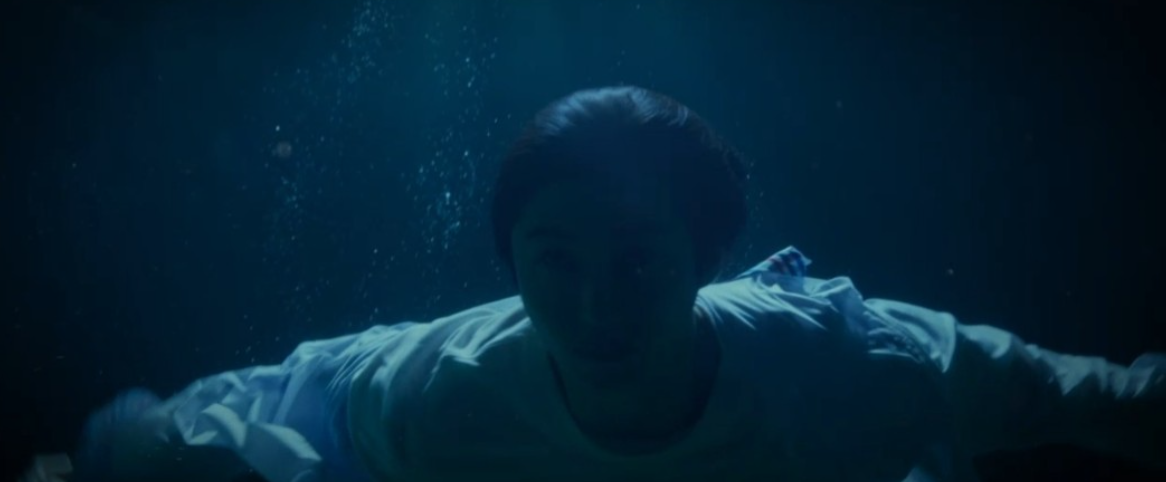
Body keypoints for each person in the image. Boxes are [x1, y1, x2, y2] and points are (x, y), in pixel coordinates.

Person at [21, 86, 1166, 482]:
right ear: (510, 263)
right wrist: (128, 451)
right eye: (552, 262)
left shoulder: (839, 364)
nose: (591, 307)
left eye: (635, 261)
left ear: (699, 259)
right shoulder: (443, 391)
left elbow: (1066, 391)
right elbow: (286, 396)